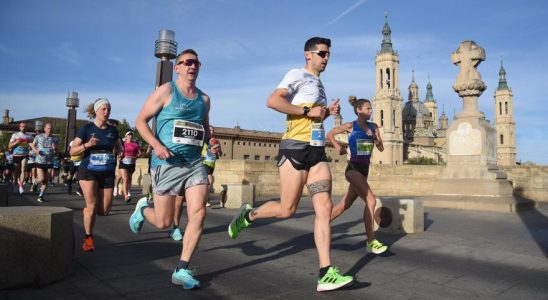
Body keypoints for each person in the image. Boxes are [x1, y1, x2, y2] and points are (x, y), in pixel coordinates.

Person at [227, 37, 353, 292]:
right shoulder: (296, 74)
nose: (326, 58)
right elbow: (273, 101)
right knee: (287, 209)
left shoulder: (319, 83)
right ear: (308, 54)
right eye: (322, 53)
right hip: (294, 148)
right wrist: (308, 111)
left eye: (329, 54)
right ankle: (249, 215)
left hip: (316, 152)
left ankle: (326, 272)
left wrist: (326, 111)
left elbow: (314, 116)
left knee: (324, 210)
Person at [131, 48, 219, 289]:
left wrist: (211, 143)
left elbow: (205, 129)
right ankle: (142, 209)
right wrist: (156, 145)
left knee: (199, 212)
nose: (192, 66)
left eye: (196, 63)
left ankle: (182, 268)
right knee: (164, 222)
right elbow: (140, 121)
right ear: (177, 67)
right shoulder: (167, 90)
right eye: (187, 62)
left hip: (193, 164)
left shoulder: (205, 99)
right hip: (167, 162)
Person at [326, 98, 388, 255]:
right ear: (359, 110)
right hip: (353, 169)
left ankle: (320, 225)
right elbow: (330, 134)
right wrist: (339, 147)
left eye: (371, 109)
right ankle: (371, 242)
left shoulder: (374, 127)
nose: (371, 111)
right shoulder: (350, 126)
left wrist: (374, 138)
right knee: (371, 200)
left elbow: (380, 148)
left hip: (364, 170)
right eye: (368, 109)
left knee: (344, 205)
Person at [70, 98, 122, 252]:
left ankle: (89, 211)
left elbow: (118, 146)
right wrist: (87, 144)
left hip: (107, 172)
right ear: (96, 111)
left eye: (108, 109)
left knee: (104, 211)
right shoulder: (85, 129)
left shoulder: (113, 130)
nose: (106, 112)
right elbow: (72, 151)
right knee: (92, 206)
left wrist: (120, 151)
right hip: (88, 171)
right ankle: (88, 237)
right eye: (103, 109)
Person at [169, 126, 222, 241]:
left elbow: (217, 154)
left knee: (198, 203)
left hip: (199, 169)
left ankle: (191, 227)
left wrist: (215, 151)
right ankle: (176, 227)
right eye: (209, 130)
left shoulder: (213, 141)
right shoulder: (191, 135)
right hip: (183, 166)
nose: (210, 133)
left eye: (211, 131)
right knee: (179, 200)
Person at [29, 122, 58, 203]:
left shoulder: (55, 138)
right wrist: (36, 150)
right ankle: (35, 182)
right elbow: (32, 145)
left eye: (51, 128)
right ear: (44, 129)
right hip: (40, 161)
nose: (50, 130)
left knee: (46, 181)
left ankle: (40, 196)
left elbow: (56, 151)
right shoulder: (38, 137)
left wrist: (55, 149)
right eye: (48, 128)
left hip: (49, 161)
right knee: (41, 178)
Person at [114, 130, 141, 202]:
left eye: (131, 135)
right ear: (126, 136)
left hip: (132, 163)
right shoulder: (123, 143)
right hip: (123, 162)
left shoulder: (135, 144)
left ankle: (127, 190)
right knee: (125, 178)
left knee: (129, 178)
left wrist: (136, 157)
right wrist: (119, 156)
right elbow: (118, 151)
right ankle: (125, 194)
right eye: (129, 135)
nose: (130, 136)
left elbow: (139, 153)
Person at [8, 122, 33, 194]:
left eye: (25, 127)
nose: (23, 128)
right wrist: (16, 142)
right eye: (22, 126)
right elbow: (9, 146)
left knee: (23, 169)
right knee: (16, 171)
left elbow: (32, 145)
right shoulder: (15, 135)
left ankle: (21, 185)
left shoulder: (30, 136)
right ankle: (15, 185)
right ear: (19, 127)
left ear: (27, 128)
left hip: (25, 155)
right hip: (16, 155)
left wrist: (32, 150)